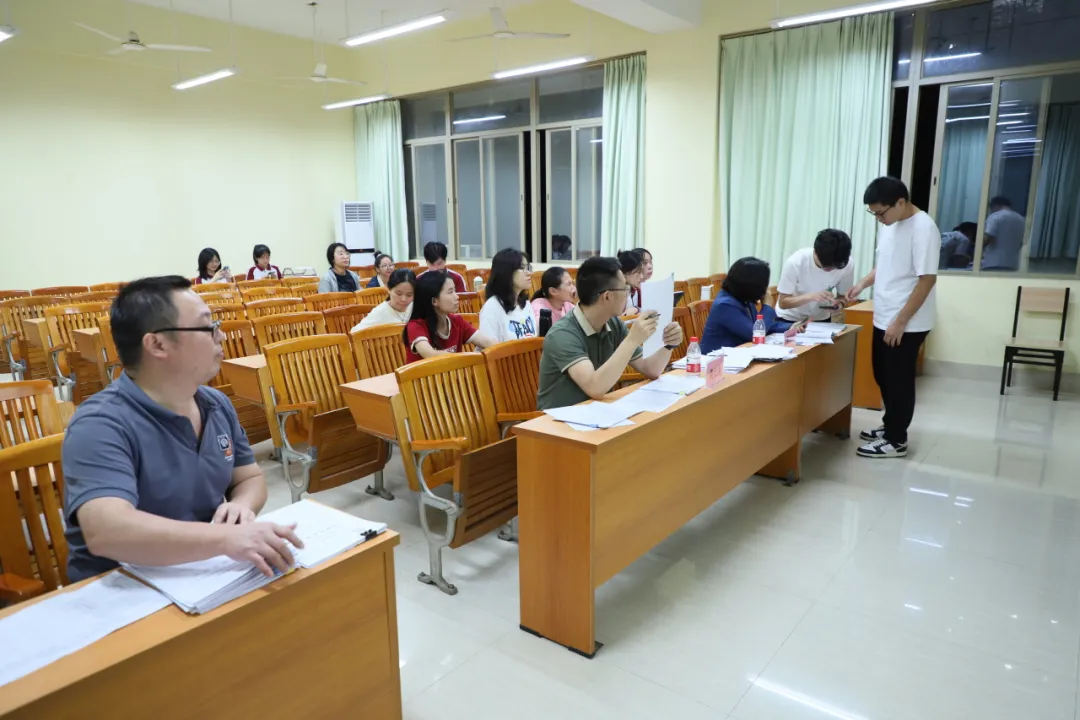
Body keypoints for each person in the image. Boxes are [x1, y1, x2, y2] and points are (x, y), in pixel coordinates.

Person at [61, 276, 303, 582]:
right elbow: (106, 532)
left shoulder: (215, 403)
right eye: (207, 326)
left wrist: (241, 506)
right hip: (124, 586)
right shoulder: (99, 424)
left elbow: (250, 478)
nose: (221, 335)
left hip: (202, 572)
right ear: (158, 344)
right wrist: (225, 539)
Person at [846, 177, 939, 459]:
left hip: (906, 322)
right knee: (882, 374)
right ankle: (890, 426)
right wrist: (862, 284)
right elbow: (884, 263)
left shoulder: (923, 229)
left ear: (900, 202)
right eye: (873, 213)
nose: (878, 218)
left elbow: (927, 279)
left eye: (880, 213)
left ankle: (897, 440)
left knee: (898, 380)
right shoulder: (891, 224)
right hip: (884, 314)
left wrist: (900, 322)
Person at [536, 256, 683, 410]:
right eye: (625, 288)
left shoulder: (613, 324)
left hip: (598, 411)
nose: (627, 294)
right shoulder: (562, 334)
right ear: (607, 296)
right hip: (557, 420)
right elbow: (594, 388)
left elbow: (651, 369)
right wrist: (632, 340)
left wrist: (668, 344)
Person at [700, 257, 799, 353]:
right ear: (752, 285)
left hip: (739, 353)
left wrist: (791, 326)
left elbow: (764, 325)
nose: (765, 289)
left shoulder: (743, 297)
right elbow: (756, 333)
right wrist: (767, 306)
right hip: (718, 360)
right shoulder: (725, 305)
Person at [403, 270, 495, 363]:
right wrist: (465, 359)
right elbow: (429, 354)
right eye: (450, 292)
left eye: (455, 291)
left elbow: (487, 342)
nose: (457, 297)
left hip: (454, 371)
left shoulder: (457, 321)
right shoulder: (415, 325)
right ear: (434, 301)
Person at [775, 229, 855, 323]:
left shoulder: (846, 264)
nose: (830, 269)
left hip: (820, 319)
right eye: (826, 266)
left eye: (834, 267)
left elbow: (843, 296)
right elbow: (783, 303)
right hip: (789, 319)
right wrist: (811, 296)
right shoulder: (795, 262)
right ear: (815, 252)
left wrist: (839, 304)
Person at [479, 249, 537, 343]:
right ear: (506, 272)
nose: (529, 273)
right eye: (522, 268)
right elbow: (490, 349)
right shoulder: (492, 308)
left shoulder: (525, 303)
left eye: (528, 267)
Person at [982, 196, 1025, 271]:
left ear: (995, 206)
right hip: (1012, 264)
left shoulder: (995, 216)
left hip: (993, 262)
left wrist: (978, 249)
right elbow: (1021, 242)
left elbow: (988, 237)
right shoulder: (1021, 219)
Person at [618, 249, 647, 316]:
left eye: (642, 272)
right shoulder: (614, 293)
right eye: (638, 272)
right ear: (625, 272)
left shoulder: (635, 291)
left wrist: (636, 309)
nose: (642, 276)